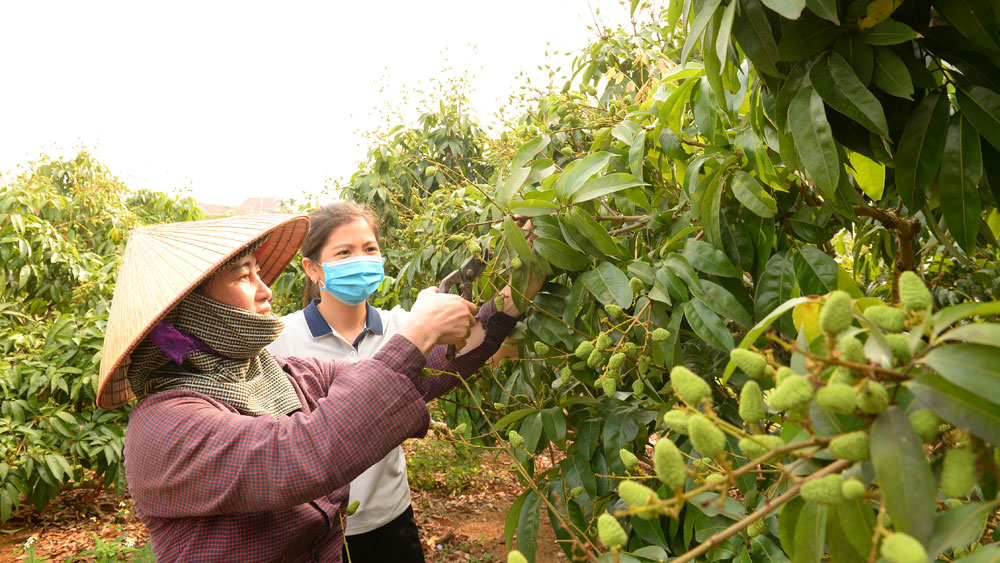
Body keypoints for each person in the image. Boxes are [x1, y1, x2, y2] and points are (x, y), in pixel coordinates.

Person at [97, 213, 493, 562]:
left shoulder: (281, 374)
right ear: (195, 310)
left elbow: (400, 380)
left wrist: (511, 301)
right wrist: (418, 331)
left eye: (259, 273)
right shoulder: (165, 426)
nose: (266, 290)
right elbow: (301, 454)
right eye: (243, 276)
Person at [266, 202, 544, 563]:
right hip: (313, 530)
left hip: (389, 519)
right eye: (345, 252)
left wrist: (521, 280)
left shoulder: (405, 327)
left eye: (369, 249)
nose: (361, 260)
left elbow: (464, 348)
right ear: (313, 268)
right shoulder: (280, 339)